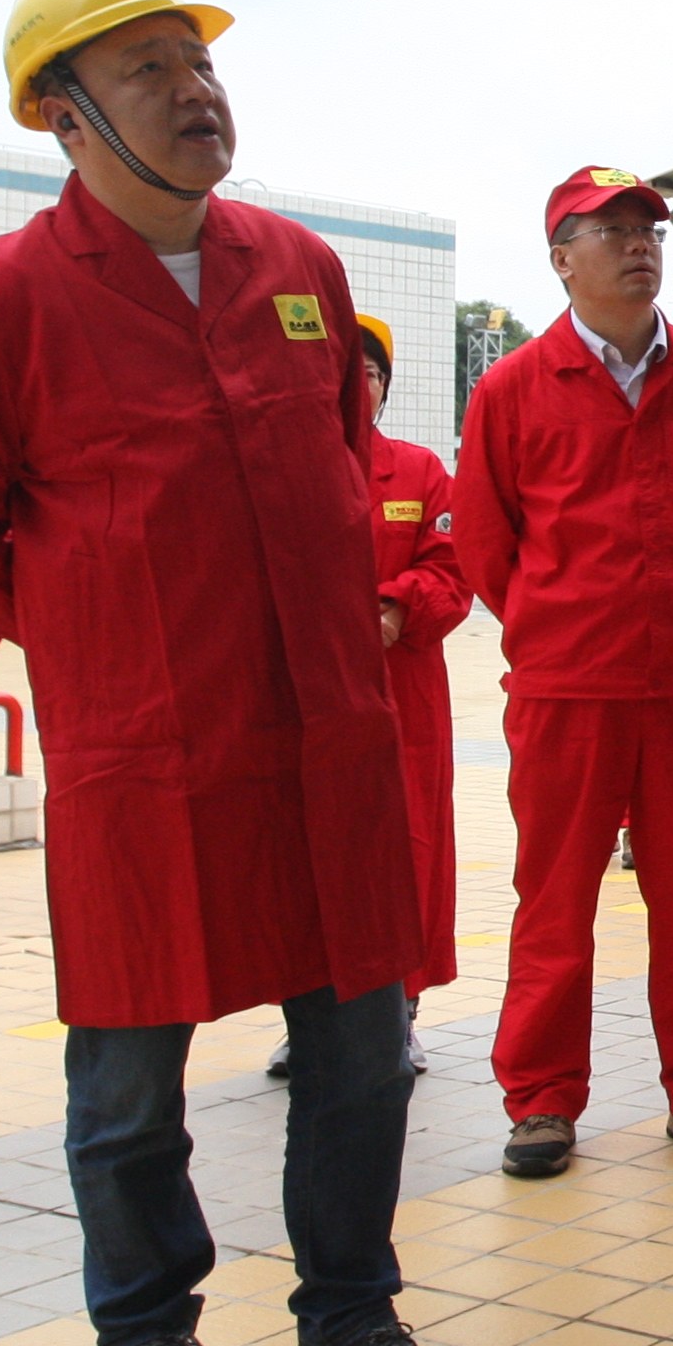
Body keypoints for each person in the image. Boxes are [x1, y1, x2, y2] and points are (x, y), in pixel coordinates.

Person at [0, 0, 475, 1346]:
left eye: (197, 62)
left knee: (361, 1051)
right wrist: (90, 639)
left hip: (325, 735)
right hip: (147, 753)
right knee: (131, 1072)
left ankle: (352, 1324)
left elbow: (343, 467)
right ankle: (147, 1337)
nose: (194, 90)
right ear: (62, 116)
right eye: (145, 69)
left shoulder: (300, 270)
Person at [451, 167, 673, 1182]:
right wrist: (560, 625)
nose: (641, 246)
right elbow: (486, 544)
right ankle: (542, 1100)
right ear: (561, 260)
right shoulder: (512, 389)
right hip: (568, 687)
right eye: (615, 231)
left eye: (651, 232)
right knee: (553, 897)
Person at [271, 313, 465, 1080]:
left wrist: (394, 607)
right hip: (303, 699)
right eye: (344, 371)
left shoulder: (420, 473)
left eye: (373, 373)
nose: (360, 386)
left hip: (401, 698)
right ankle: (307, 1021)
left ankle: (399, 1016)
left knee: (406, 853)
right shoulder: (279, 471)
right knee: (303, 858)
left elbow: (454, 565)